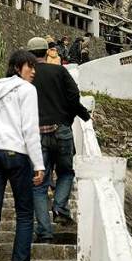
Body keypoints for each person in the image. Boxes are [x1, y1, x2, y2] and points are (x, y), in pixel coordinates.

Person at [0, 50, 45, 261]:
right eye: (29, 66)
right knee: (25, 213)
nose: (33, 71)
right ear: (17, 68)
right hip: (16, 152)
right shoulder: (27, 90)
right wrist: (39, 164)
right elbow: (29, 129)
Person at [26, 37, 91, 243]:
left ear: (29, 55)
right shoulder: (59, 71)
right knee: (66, 172)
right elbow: (73, 97)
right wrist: (81, 116)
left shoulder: (26, 78)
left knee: (39, 184)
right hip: (61, 129)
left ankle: (45, 232)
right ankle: (60, 207)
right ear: (47, 52)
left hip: (37, 135)